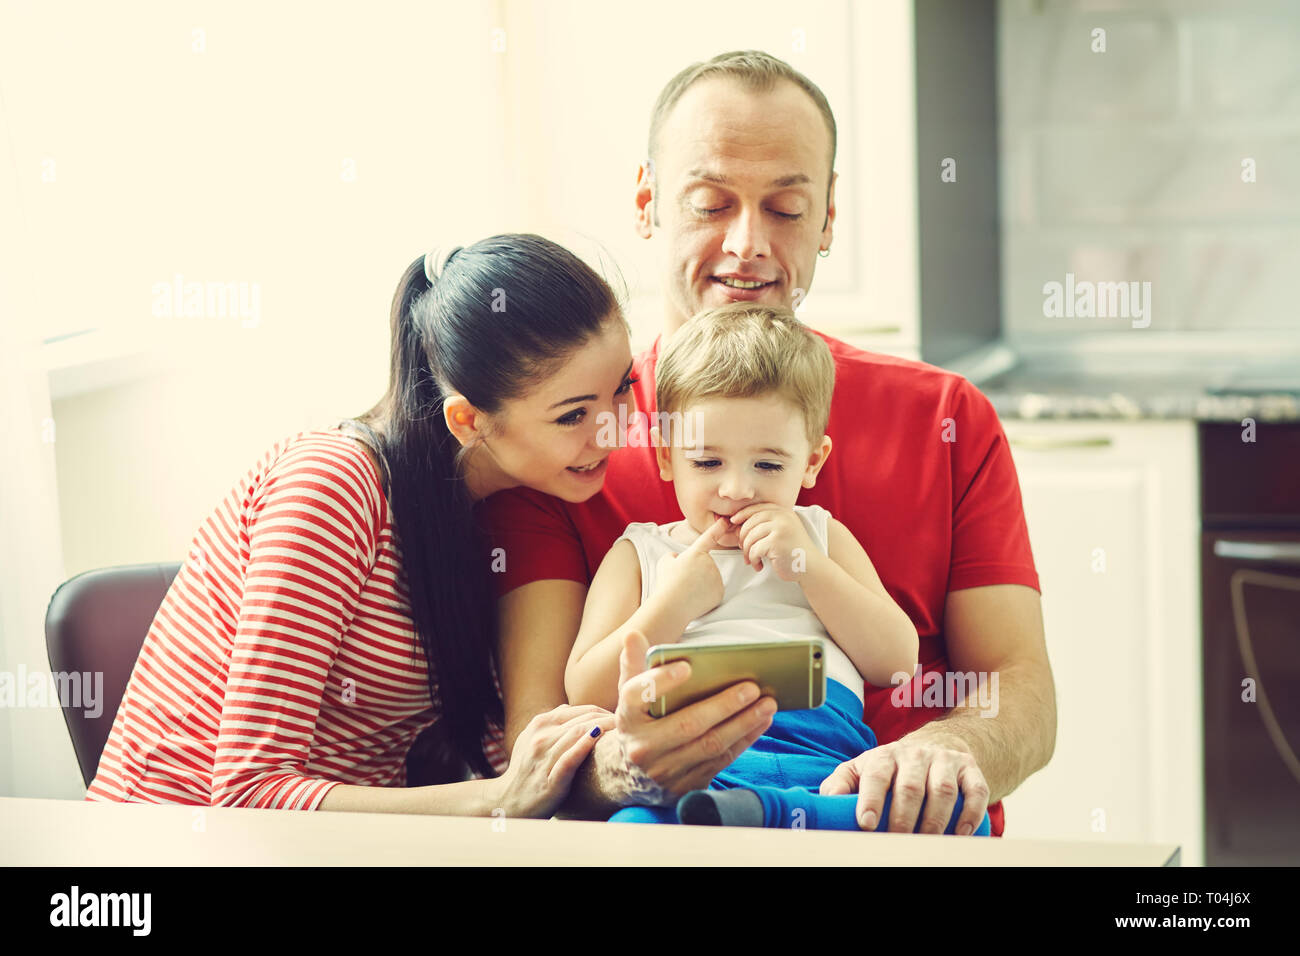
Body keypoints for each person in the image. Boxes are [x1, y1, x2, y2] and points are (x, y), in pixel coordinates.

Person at [477, 51, 1056, 836]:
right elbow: (538, 739)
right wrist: (629, 770)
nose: (747, 243)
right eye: (710, 203)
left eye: (785, 209)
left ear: (827, 217)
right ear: (648, 202)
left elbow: (1018, 687)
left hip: (891, 828)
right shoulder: (566, 446)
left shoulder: (947, 416)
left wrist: (948, 746)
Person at [85, 234, 636, 816]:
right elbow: (249, 793)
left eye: (623, 387)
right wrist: (501, 799)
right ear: (470, 420)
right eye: (574, 414)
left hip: (333, 848)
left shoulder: (505, 506)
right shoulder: (334, 486)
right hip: (176, 839)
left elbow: (514, 752)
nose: (614, 432)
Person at [563, 304, 990, 833]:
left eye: (767, 464)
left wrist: (809, 568)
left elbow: (896, 663)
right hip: (696, 760)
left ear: (811, 462)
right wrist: (672, 606)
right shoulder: (640, 553)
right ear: (666, 457)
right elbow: (585, 688)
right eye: (707, 462)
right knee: (633, 824)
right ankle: (767, 815)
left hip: (828, 756)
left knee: (951, 820)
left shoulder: (822, 537)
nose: (737, 489)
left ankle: (762, 814)